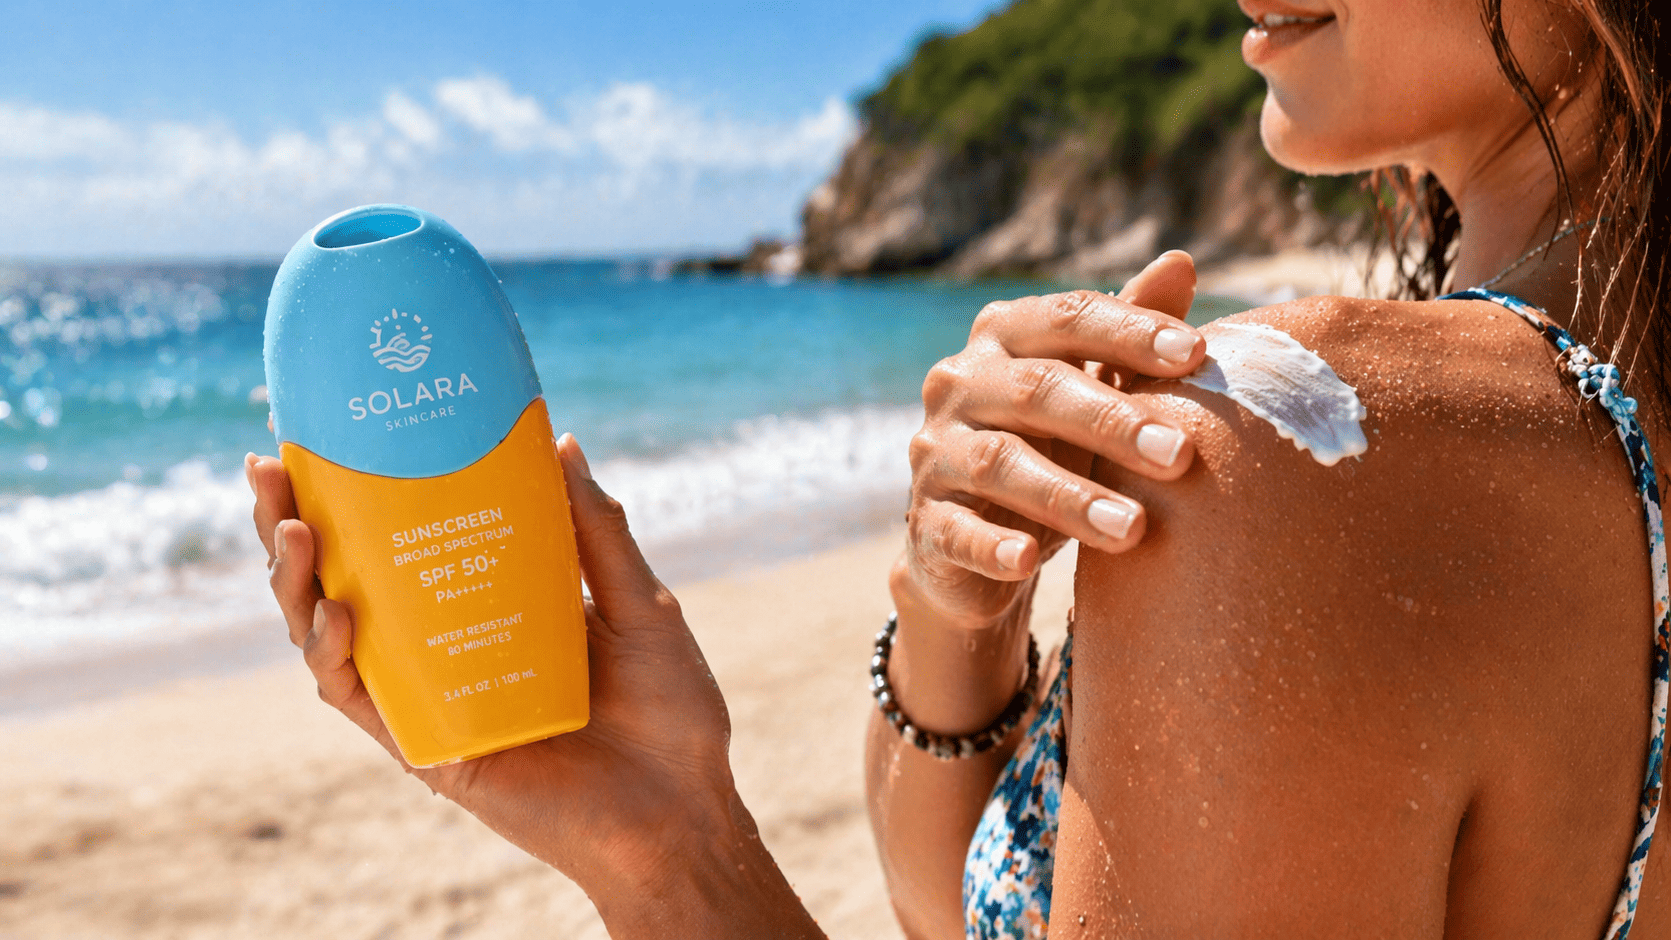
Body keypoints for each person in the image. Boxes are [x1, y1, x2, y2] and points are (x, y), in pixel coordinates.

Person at [248, 0, 1670, 935]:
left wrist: (680, 864)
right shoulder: (1539, 443)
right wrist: (948, 613)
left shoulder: (1311, 437)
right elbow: (968, 905)